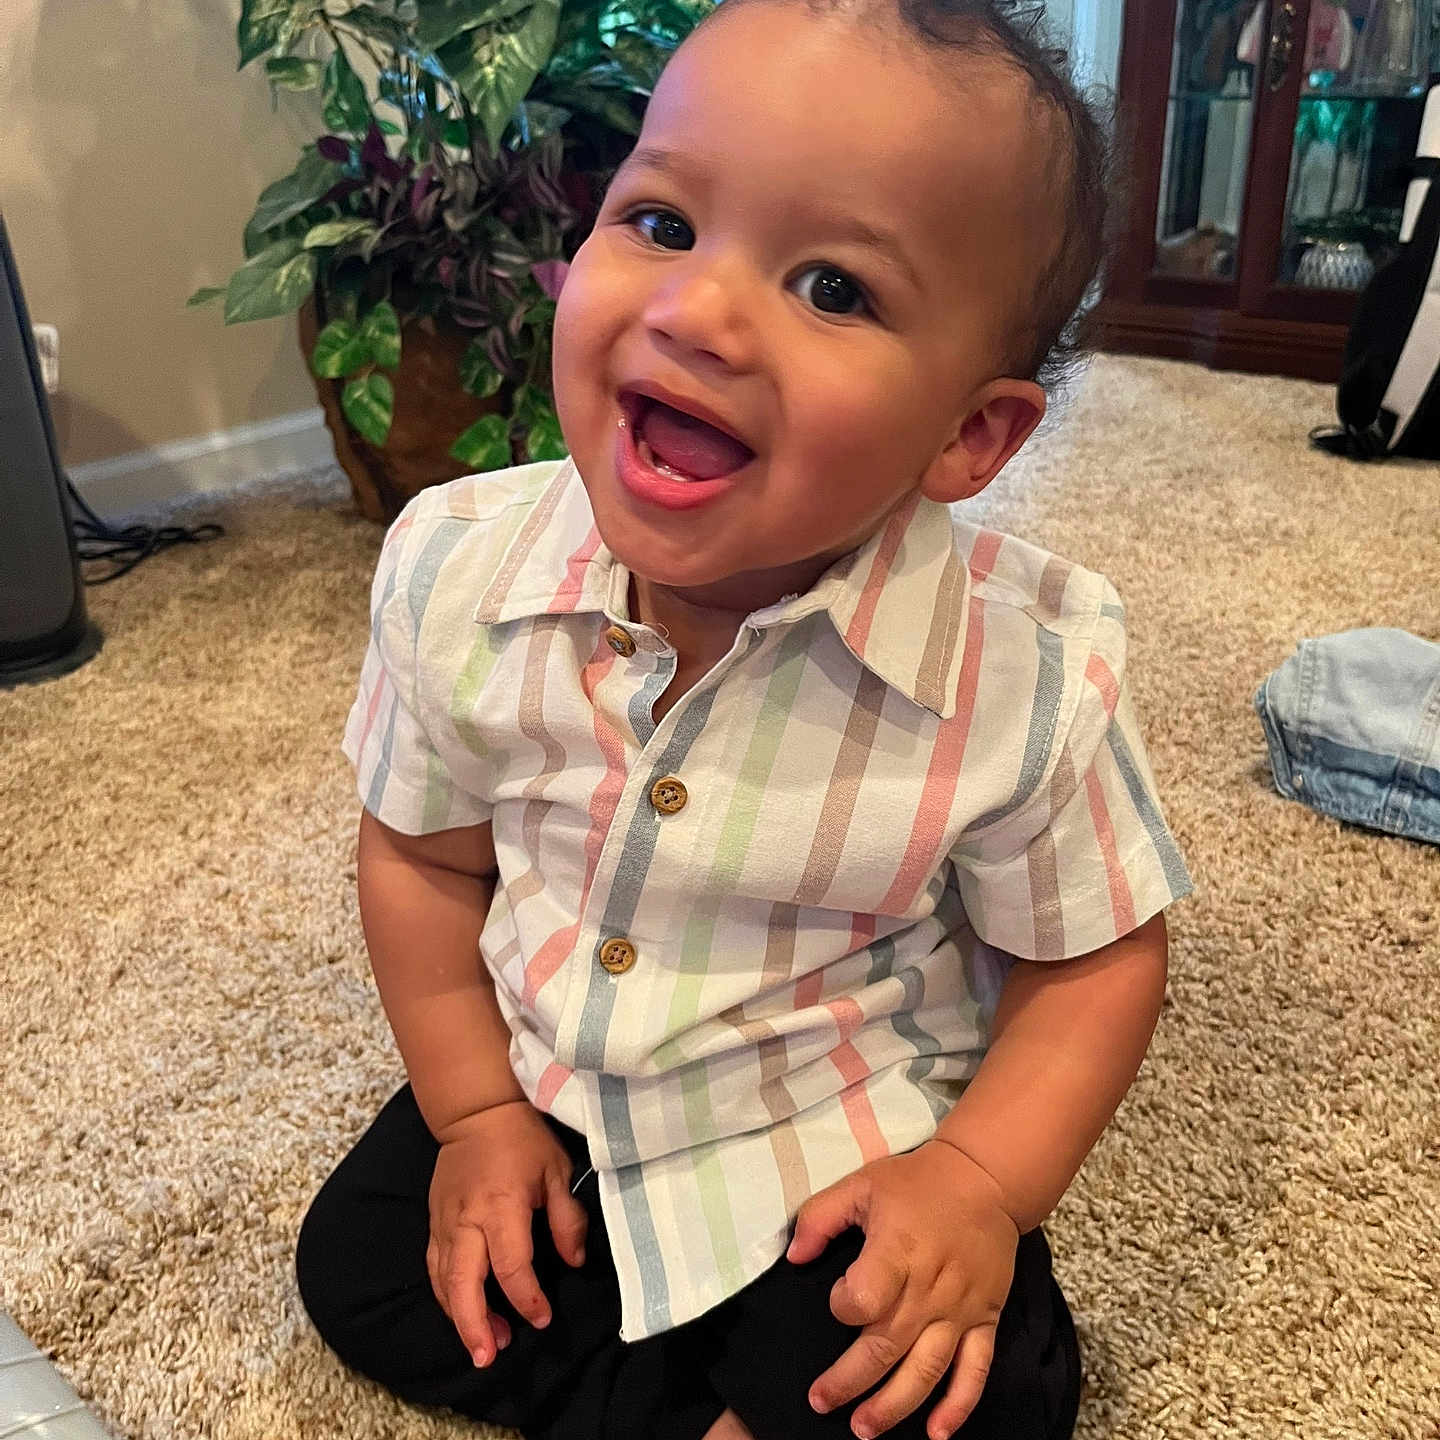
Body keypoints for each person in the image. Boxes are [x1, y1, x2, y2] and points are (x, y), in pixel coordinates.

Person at [295, 1, 1193, 1437]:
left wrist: (974, 1189)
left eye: (834, 288)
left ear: (971, 435)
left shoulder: (1020, 678)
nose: (696, 310)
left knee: (979, 1391)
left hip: (824, 1131)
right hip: (554, 1084)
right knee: (360, 1264)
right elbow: (420, 857)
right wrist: (472, 1114)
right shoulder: (455, 572)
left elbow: (1095, 964)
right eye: (659, 221)